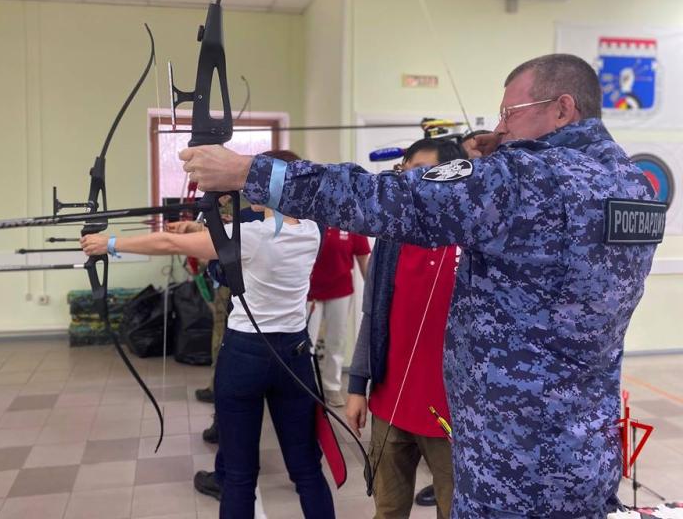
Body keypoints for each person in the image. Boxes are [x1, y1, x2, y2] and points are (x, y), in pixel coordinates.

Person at [179, 54, 662, 518]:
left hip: (513, 461)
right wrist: (499, 163)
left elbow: (391, 199)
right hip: (585, 449)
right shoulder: (633, 185)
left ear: (563, 107)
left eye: (510, 114)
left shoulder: (527, 180)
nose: (501, 128)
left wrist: (248, 172)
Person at [82, 150, 334, 519]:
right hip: (295, 355)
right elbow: (235, 237)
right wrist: (199, 231)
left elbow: (170, 245)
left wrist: (110, 244)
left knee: (239, 475)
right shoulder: (313, 229)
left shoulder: (252, 235)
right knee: (308, 469)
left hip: (246, 354)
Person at [346, 138, 464, 519]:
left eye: (425, 175)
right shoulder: (391, 236)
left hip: (451, 415)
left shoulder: (472, 241)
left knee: (456, 510)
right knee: (388, 509)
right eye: (406, 173)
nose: (413, 185)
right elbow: (371, 315)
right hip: (389, 403)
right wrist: (356, 386)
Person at [307, 224, 370, 407]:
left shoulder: (351, 221)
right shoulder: (309, 218)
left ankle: (332, 387)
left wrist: (373, 292)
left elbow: (363, 259)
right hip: (310, 293)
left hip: (340, 291)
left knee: (336, 341)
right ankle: (306, 387)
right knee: (306, 343)